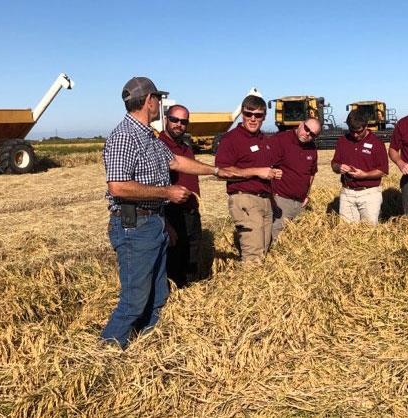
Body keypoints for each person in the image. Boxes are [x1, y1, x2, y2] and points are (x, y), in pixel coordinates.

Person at [102, 77, 229, 349]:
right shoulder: (124, 136)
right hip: (133, 224)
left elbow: (177, 161)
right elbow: (118, 186)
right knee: (134, 299)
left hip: (153, 222)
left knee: (159, 294)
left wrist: (215, 171)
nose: (159, 104)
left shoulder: (149, 136)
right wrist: (168, 193)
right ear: (150, 101)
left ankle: (145, 347)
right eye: (158, 99)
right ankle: (107, 352)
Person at [215, 95, 282, 262]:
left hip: (265, 200)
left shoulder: (263, 140)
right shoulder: (231, 139)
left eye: (258, 115)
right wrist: (257, 171)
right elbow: (222, 171)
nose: (253, 119)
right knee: (253, 256)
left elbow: (262, 169)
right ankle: (248, 288)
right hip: (245, 199)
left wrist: (272, 173)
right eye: (248, 114)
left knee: (264, 251)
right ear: (242, 114)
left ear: (264, 117)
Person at [158, 104, 202, 288]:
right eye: (175, 120)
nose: (179, 124)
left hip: (191, 213)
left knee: (193, 261)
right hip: (171, 214)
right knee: (175, 265)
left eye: (183, 121)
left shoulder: (186, 147)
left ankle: (193, 299)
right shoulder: (158, 146)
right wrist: (165, 223)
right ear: (166, 119)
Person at [331, 109, 389, 224]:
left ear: (366, 126)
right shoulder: (342, 141)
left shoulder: (377, 143)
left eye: (359, 131)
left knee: (369, 232)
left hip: (369, 194)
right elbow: (334, 164)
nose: (355, 135)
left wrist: (364, 175)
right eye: (352, 131)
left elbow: (383, 170)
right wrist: (339, 167)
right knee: (346, 232)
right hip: (347, 193)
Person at [270, 118, 320, 242]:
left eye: (312, 134)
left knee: (295, 241)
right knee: (276, 237)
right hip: (281, 200)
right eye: (307, 129)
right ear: (301, 124)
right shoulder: (280, 140)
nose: (308, 134)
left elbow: (311, 173)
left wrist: (306, 194)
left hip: (300, 203)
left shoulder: (312, 148)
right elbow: (264, 165)